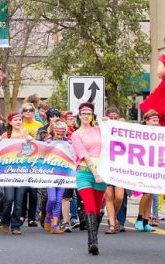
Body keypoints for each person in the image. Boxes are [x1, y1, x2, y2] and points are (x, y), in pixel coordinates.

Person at [72, 102, 106, 256]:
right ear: (79, 115)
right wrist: (95, 173)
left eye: (88, 113)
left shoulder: (99, 130)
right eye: (83, 113)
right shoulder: (76, 134)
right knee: (90, 206)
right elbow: (83, 154)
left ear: (92, 115)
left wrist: (109, 124)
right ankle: (92, 242)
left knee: (98, 209)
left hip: (102, 174)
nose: (86, 116)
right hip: (85, 174)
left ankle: (94, 238)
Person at [0, 112, 32, 235]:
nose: (18, 121)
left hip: (22, 172)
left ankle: (16, 225)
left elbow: (32, 152)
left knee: (19, 201)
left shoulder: (26, 135)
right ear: (10, 122)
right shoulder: (5, 136)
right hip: (8, 172)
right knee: (9, 198)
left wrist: (31, 142)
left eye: (20, 119)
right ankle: (5, 221)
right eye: (16, 120)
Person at [134, 110, 159, 232]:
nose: (156, 123)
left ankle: (145, 221)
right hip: (143, 167)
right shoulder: (140, 133)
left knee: (151, 194)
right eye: (153, 121)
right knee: (146, 193)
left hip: (154, 167)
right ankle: (139, 218)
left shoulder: (160, 134)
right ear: (146, 121)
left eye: (157, 120)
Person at [44, 120, 70, 234]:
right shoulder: (47, 141)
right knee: (52, 198)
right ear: (54, 132)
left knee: (59, 199)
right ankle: (48, 214)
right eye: (57, 134)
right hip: (50, 174)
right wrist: (47, 145)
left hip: (63, 175)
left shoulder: (68, 142)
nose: (59, 137)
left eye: (62, 134)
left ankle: (55, 224)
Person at [103, 106, 125, 234]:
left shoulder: (124, 131)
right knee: (109, 196)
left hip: (121, 168)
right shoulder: (102, 130)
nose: (112, 120)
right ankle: (112, 224)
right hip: (106, 166)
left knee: (119, 197)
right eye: (110, 118)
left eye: (115, 118)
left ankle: (114, 217)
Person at [20, 103, 42, 227]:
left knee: (34, 190)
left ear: (34, 112)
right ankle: (22, 215)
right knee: (22, 190)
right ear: (22, 112)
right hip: (21, 160)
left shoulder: (39, 125)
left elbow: (42, 140)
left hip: (35, 160)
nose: (28, 112)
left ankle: (32, 217)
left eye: (31, 110)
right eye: (25, 110)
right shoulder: (19, 124)